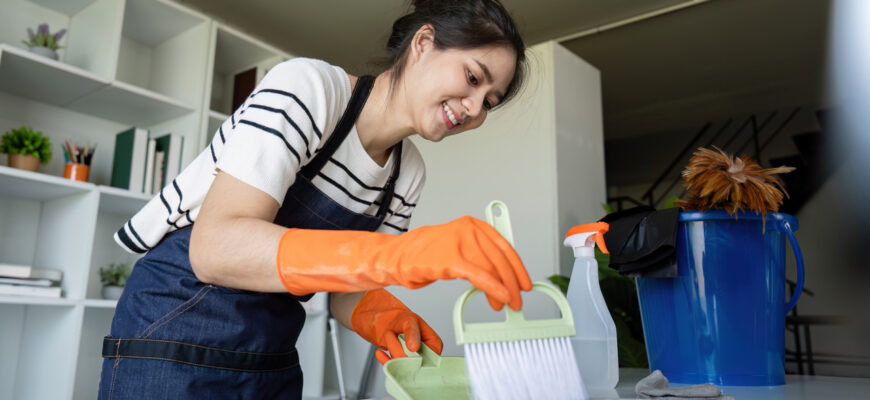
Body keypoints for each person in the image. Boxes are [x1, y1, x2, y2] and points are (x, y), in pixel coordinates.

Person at [99, 0, 530, 398]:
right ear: (423, 43)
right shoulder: (311, 89)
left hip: (271, 351)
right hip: (174, 331)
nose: (474, 108)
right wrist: (400, 255)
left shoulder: (408, 173)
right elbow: (217, 248)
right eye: (473, 78)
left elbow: (347, 289)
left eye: (488, 102)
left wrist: (382, 315)